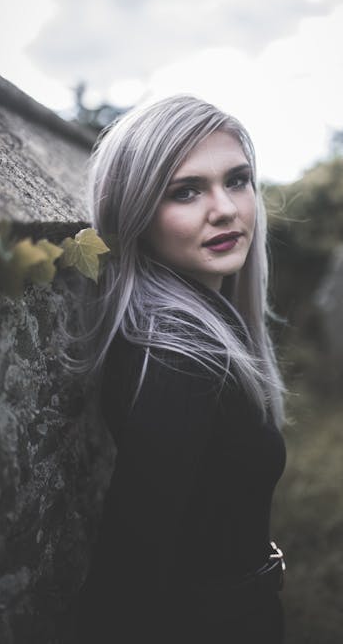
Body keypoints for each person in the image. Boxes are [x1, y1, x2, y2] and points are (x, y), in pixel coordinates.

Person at [72, 95, 286, 643]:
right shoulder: (182, 354)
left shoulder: (200, 329)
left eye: (237, 181)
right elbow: (127, 578)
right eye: (185, 191)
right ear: (136, 213)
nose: (225, 209)